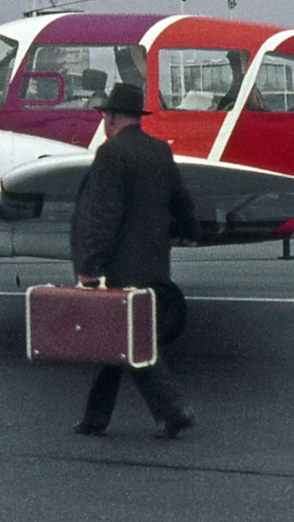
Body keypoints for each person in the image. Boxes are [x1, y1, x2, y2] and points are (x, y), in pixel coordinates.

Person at [70, 81, 200, 439]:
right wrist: (191, 231)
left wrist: (90, 266)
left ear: (110, 117)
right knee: (118, 344)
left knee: (130, 344)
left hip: (121, 269)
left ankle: (175, 411)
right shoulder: (159, 150)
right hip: (156, 266)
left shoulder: (112, 154)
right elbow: (181, 198)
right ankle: (95, 419)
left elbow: (103, 215)